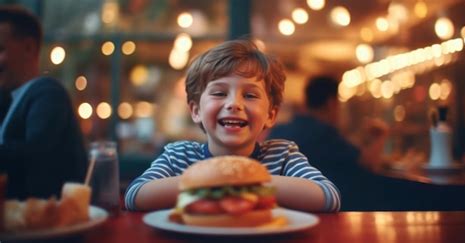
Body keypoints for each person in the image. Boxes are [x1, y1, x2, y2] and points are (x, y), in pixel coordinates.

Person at [125, 39, 341, 212]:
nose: (234, 104)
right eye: (219, 93)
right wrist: (216, 179)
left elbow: (328, 197)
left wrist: (243, 181)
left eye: (249, 95)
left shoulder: (282, 156)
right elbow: (135, 196)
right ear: (196, 110)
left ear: (271, 114)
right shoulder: (179, 156)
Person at [0, 6, 87, 199]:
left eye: (1, 49)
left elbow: (34, 157)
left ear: (29, 48)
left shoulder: (48, 92)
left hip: (50, 221)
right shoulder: (8, 99)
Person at [267, 75, 389, 210]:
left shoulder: (280, 130)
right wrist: (381, 136)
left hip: (281, 210)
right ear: (331, 103)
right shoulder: (325, 133)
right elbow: (369, 164)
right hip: (325, 210)